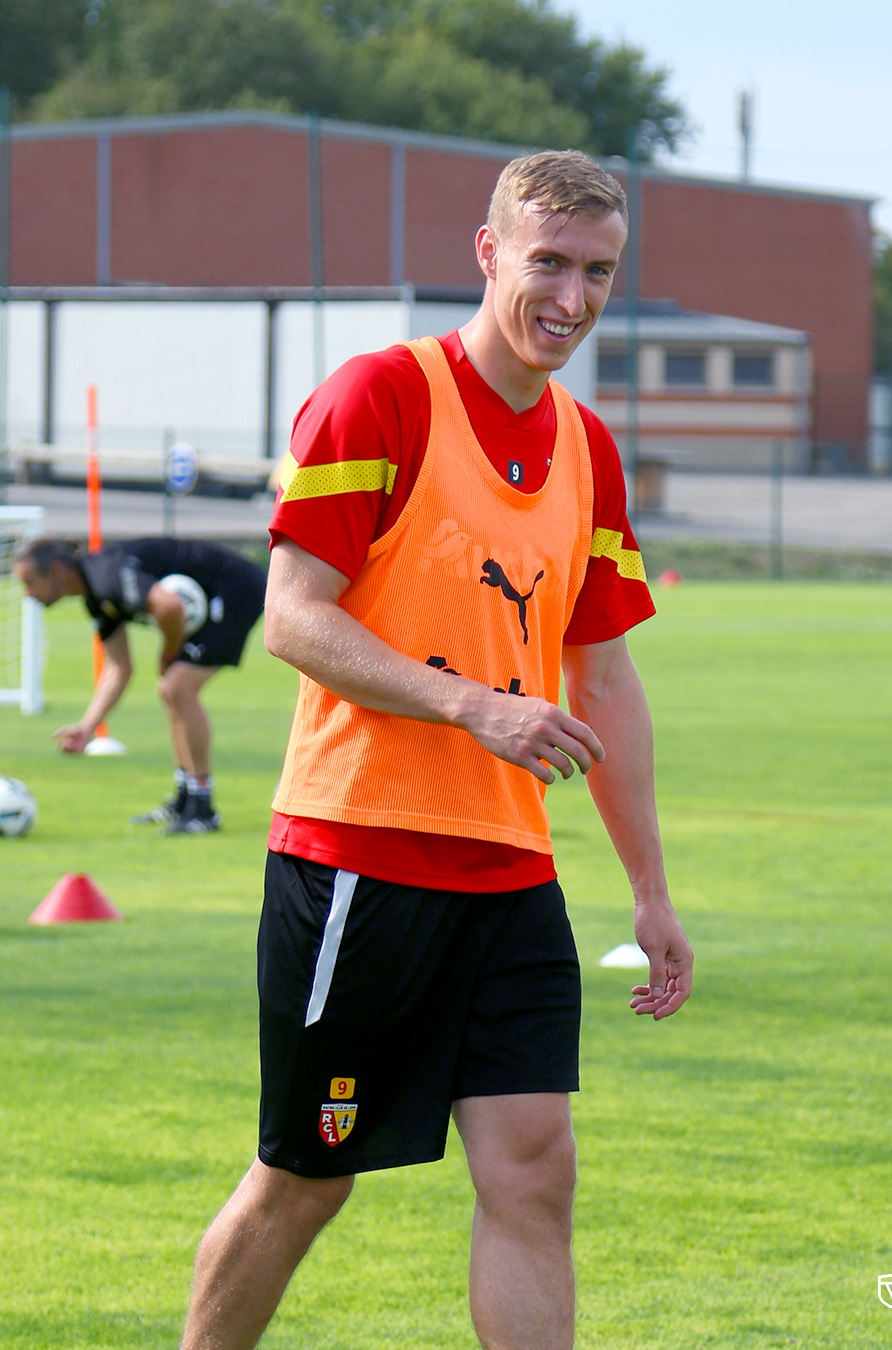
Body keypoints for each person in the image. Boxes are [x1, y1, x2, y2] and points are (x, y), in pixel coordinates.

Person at [181, 148, 693, 1349]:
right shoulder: (381, 396)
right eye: (549, 263)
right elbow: (295, 617)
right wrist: (473, 705)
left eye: (599, 272)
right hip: (359, 859)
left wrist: (652, 891)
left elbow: (605, 676)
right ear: (488, 251)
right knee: (308, 1179)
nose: (571, 298)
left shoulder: (589, 449)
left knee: (533, 1177)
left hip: (512, 878)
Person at [13, 536, 265, 833]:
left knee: (176, 688)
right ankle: (185, 799)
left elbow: (169, 606)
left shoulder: (106, 576)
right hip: (211, 596)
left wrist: (169, 652)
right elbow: (119, 667)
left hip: (236, 588)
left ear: (56, 571)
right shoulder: (95, 595)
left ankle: (203, 809)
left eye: (30, 582)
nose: (28, 594)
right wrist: (87, 727)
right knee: (171, 690)